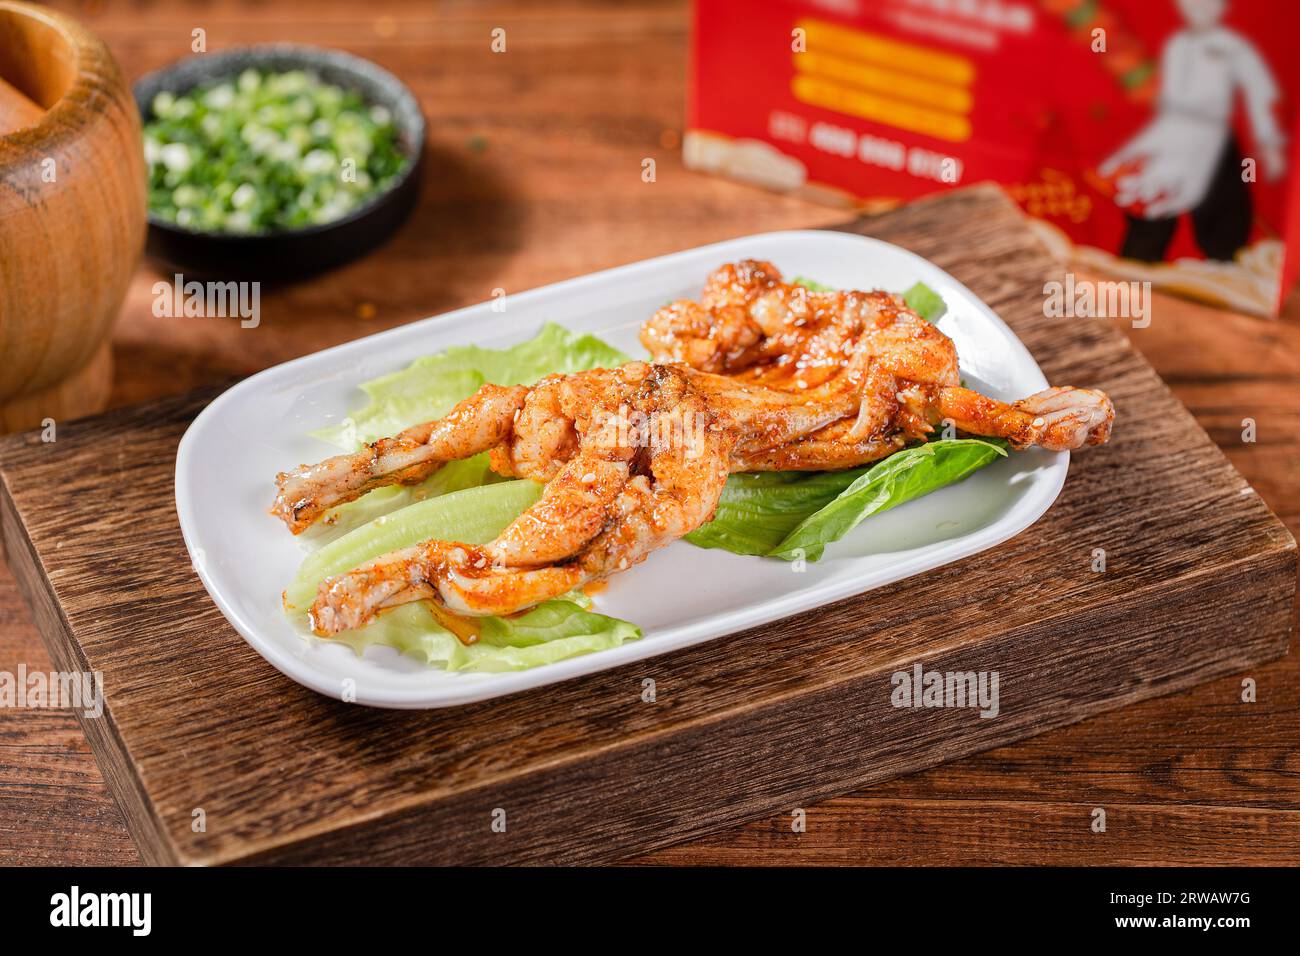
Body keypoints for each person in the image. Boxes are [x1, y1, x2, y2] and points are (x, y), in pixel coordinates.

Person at [1100, 0, 1286, 262]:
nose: (1197, 10)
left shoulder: (1233, 47)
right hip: (1174, 129)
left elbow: (1260, 91)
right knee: (1150, 202)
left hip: (1212, 133)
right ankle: (1136, 268)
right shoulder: (1179, 44)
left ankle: (1225, 273)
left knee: (1222, 215)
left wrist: (1268, 138)